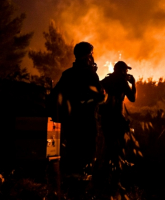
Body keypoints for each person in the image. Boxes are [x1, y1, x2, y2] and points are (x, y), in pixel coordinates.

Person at [51, 41, 105, 177]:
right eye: (91, 55)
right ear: (87, 56)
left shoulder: (67, 74)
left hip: (71, 123)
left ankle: (69, 188)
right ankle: (82, 188)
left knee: (72, 155)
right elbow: (100, 97)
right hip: (87, 123)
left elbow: (55, 96)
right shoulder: (90, 75)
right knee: (87, 157)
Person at [98, 61, 136, 194]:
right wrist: (133, 83)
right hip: (117, 120)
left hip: (106, 120)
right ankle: (115, 184)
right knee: (117, 151)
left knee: (107, 149)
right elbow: (132, 98)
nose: (127, 73)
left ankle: (101, 181)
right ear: (122, 71)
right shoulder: (122, 82)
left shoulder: (106, 80)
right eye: (125, 71)